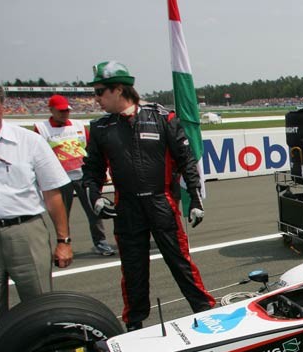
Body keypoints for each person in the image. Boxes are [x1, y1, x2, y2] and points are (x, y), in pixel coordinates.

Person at [81, 60, 215, 331]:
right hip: (126, 207)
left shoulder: (163, 118)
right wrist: (95, 198)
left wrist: (196, 200)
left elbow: (187, 161)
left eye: (99, 92)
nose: (96, 99)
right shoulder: (100, 128)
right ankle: (134, 323)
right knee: (133, 271)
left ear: (118, 90)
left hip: (161, 202)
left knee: (181, 263)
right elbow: (91, 172)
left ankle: (206, 312)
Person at [0, 73, 73, 352]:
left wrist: (63, 239)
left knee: (39, 305)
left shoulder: (29, 141)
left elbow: (53, 193)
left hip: (26, 231)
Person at [34, 94, 115, 256]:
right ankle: (64, 244)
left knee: (94, 210)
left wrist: (101, 172)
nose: (65, 114)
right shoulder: (41, 128)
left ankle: (101, 243)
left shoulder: (78, 126)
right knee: (62, 215)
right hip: (59, 179)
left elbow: (93, 150)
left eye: (67, 111)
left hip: (83, 175)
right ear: (51, 110)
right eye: (61, 111)